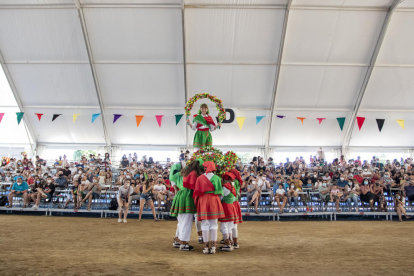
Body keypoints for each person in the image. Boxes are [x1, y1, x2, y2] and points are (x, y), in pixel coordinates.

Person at [193, 161, 224, 254]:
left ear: (206, 168)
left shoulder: (200, 178)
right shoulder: (217, 178)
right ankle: (214, 247)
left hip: (203, 201)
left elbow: (196, 193)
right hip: (214, 200)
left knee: (204, 224)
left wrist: (198, 202)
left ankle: (206, 247)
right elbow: (220, 193)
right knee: (214, 223)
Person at [218, 172, 238, 252]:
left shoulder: (225, 187)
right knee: (230, 226)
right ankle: (231, 242)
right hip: (232, 207)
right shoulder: (233, 186)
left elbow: (220, 198)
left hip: (226, 207)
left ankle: (227, 244)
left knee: (224, 226)